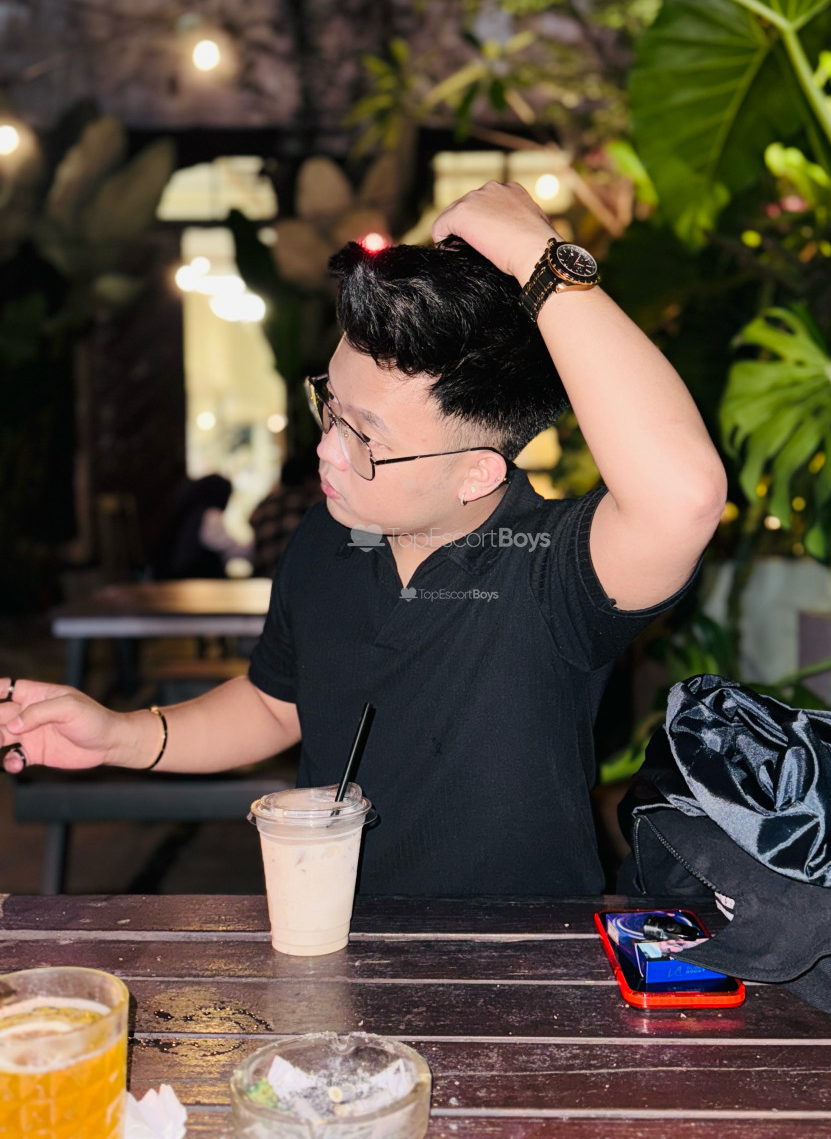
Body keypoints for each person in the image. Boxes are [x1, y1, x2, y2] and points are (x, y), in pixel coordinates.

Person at [0, 183, 726, 896]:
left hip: (523, 953)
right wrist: (117, 735)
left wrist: (539, 257)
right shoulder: (331, 532)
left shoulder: (555, 569)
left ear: (477, 472)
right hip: (334, 932)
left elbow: (685, 498)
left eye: (365, 436)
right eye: (331, 405)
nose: (327, 449)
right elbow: (274, 704)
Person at [151, 474, 251, 580]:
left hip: (170, 578)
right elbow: (231, 549)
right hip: (190, 580)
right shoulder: (210, 515)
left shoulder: (189, 511)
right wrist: (253, 542)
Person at [249, 450, 324, 578]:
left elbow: (252, 520)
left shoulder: (266, 503)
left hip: (263, 580)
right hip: (299, 583)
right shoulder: (311, 505)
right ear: (310, 480)